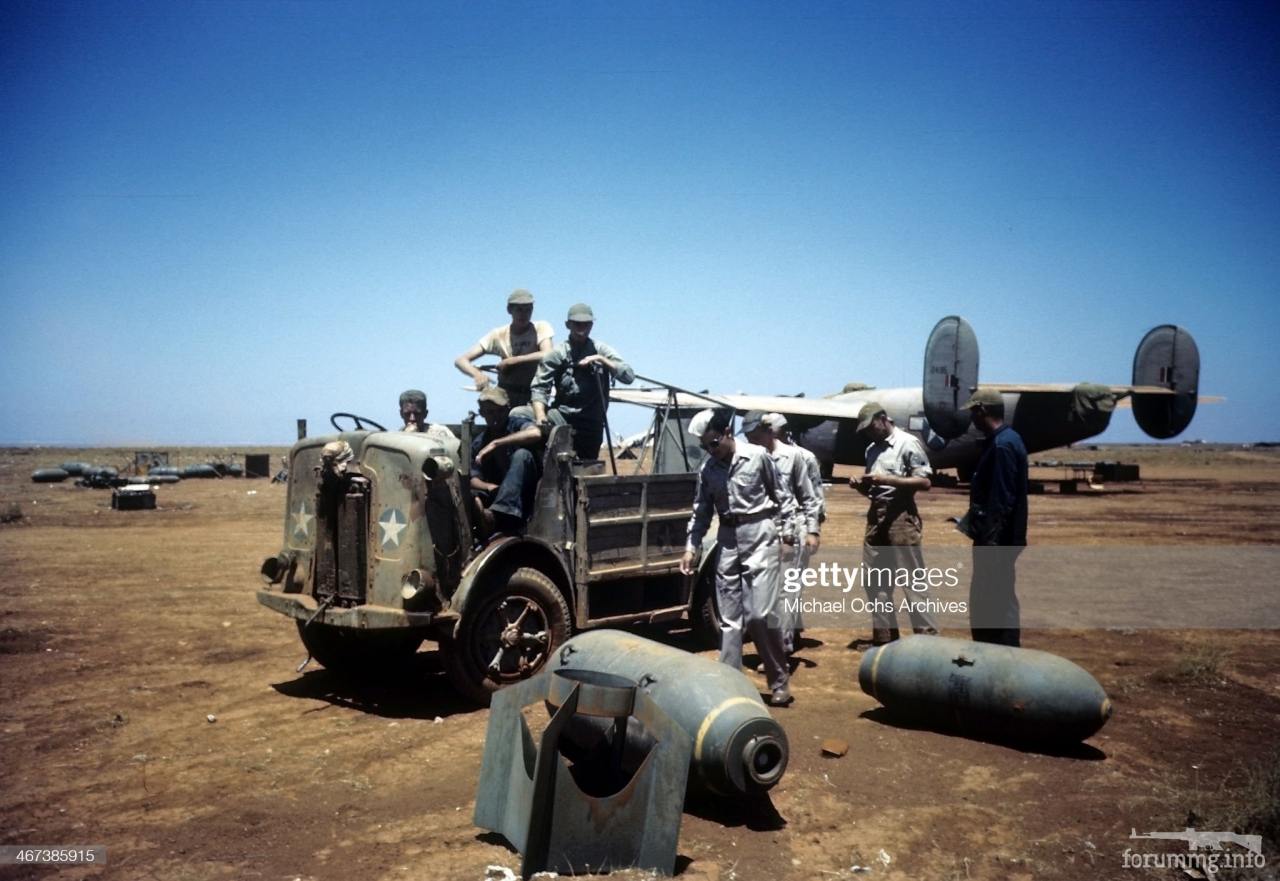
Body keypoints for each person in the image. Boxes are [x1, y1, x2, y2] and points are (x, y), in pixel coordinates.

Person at [679, 409, 798, 707]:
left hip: (760, 534)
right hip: (728, 540)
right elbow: (701, 511)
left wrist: (787, 535)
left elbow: (783, 496)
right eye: (705, 447)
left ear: (729, 433)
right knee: (730, 620)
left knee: (759, 615)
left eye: (714, 443)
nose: (711, 450)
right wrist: (691, 547)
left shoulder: (758, 457)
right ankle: (730, 682)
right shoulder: (708, 469)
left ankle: (779, 680)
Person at [852, 401, 939, 645]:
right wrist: (862, 487)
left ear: (883, 418)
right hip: (876, 516)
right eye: (866, 430)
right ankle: (884, 640)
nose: (870, 433)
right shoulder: (872, 450)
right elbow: (875, 492)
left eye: (871, 427)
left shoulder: (906, 443)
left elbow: (924, 482)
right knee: (875, 581)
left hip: (901, 517)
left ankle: (927, 641)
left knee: (912, 581)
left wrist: (887, 480)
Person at [742, 411, 820, 656]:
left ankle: (781, 652)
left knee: (787, 590)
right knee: (763, 593)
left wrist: (812, 530)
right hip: (761, 532)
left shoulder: (795, 457)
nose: (751, 441)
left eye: (755, 436)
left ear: (769, 431)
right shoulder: (750, 457)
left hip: (790, 530)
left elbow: (809, 497)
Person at [960, 389, 1028, 647]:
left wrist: (990, 543)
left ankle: (1005, 652)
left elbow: (1002, 500)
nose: (972, 418)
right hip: (999, 539)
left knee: (995, 598)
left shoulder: (1002, 445)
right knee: (993, 597)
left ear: (983, 411)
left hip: (997, 542)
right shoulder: (1006, 440)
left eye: (973, 412)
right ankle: (995, 648)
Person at [530, 303, 634, 461]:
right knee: (519, 416)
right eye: (577, 324)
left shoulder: (601, 350)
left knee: (587, 467)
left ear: (592, 325)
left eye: (586, 324)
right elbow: (539, 388)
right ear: (568, 325)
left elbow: (628, 376)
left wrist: (601, 360)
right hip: (562, 417)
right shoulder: (557, 354)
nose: (582, 328)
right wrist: (540, 415)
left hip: (592, 421)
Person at [454, 289, 555, 406]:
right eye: (519, 309)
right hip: (505, 394)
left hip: (533, 393)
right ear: (509, 310)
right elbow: (460, 360)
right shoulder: (498, 334)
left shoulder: (540, 328)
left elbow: (548, 353)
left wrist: (513, 361)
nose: (524, 314)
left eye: (528, 310)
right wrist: (477, 375)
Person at [470, 388, 544, 536]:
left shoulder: (516, 425)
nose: (496, 417)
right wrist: (490, 487)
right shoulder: (479, 443)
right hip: (498, 494)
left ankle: (496, 517)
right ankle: (487, 517)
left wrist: (497, 443)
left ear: (507, 410)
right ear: (482, 413)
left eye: (500, 411)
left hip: (528, 496)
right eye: (490, 412)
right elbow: (473, 479)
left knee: (522, 455)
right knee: (473, 494)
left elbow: (535, 433)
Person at [398, 389, 461, 462]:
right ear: (401, 414)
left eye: (417, 414)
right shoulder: (398, 436)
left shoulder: (440, 433)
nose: (412, 419)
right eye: (407, 414)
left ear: (425, 414)